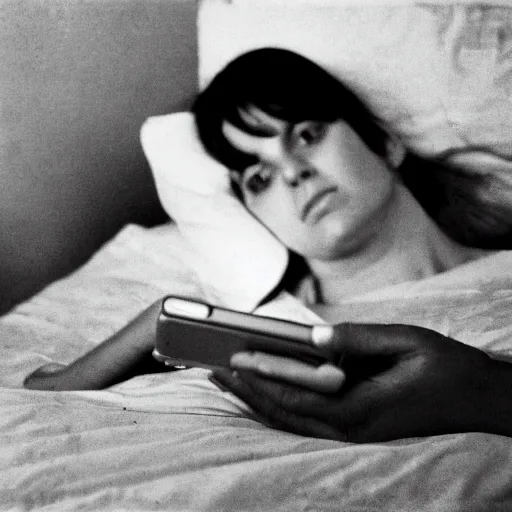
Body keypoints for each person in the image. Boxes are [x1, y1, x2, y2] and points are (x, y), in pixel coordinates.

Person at [23, 48, 512, 444]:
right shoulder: (274, 329)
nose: (292, 171)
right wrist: (157, 326)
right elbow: (36, 396)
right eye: (259, 177)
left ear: (385, 144)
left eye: (307, 134)